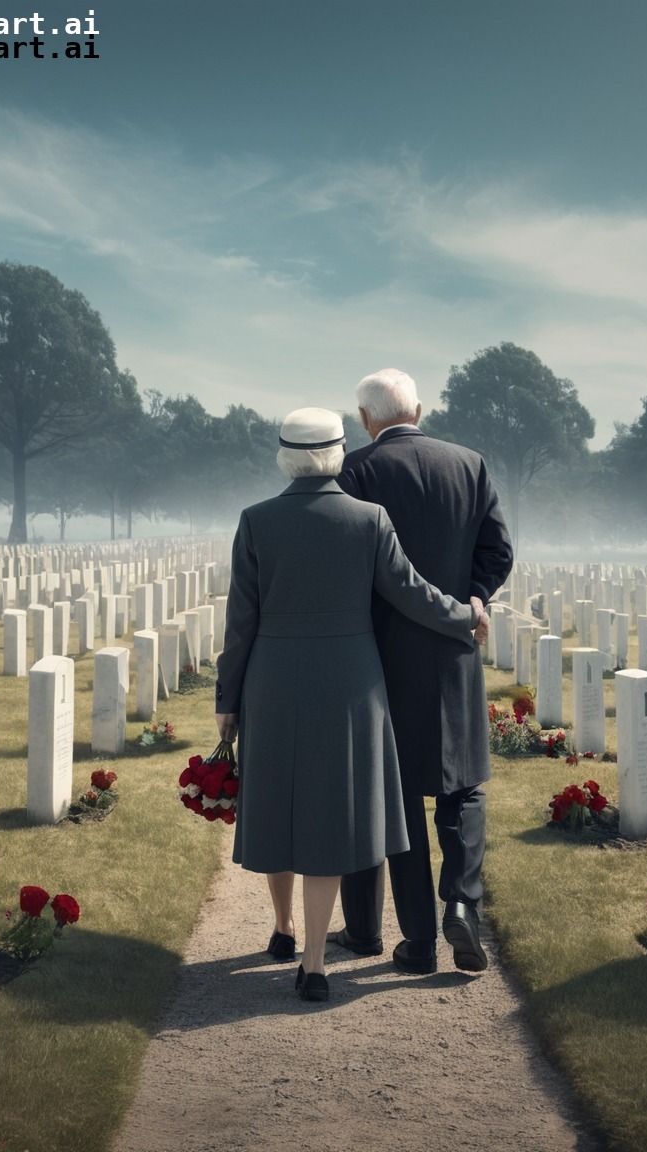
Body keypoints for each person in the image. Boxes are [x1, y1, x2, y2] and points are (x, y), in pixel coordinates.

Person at [214, 407, 489, 1002]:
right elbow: (413, 594)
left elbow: (242, 620)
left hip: (272, 677)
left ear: (285, 457)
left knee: (284, 803)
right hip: (350, 681)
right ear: (340, 453)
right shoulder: (369, 520)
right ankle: (314, 962)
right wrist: (466, 615)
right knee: (332, 816)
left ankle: (284, 929)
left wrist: (226, 699)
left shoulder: (256, 521)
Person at [334, 369, 513, 975]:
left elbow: (353, 563)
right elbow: (498, 549)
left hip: (383, 653)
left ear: (365, 419)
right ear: (418, 406)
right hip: (457, 644)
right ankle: (462, 903)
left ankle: (416, 943)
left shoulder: (356, 471)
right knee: (464, 786)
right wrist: (475, 598)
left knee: (400, 796)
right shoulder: (469, 463)